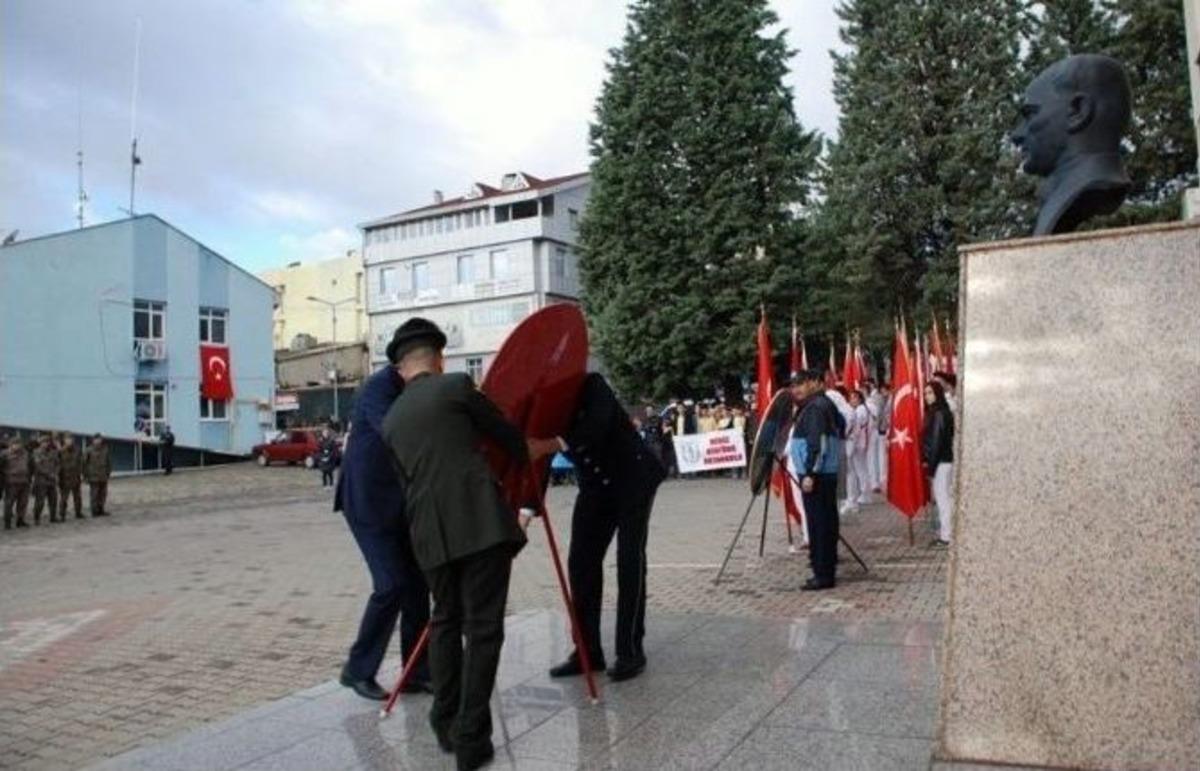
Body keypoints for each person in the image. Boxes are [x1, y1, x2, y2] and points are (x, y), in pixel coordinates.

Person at [382, 318, 532, 771]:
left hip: (428, 532)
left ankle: (444, 716)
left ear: (401, 370)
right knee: (483, 629)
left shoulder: (389, 421)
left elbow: (406, 479)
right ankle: (470, 739)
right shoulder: (456, 387)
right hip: (479, 522)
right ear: (438, 358)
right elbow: (508, 439)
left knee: (445, 621)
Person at [545, 373, 665, 683]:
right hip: (595, 487)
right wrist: (528, 508)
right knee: (580, 562)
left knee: (629, 560)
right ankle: (587, 651)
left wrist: (550, 443)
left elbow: (595, 425)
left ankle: (630, 650)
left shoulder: (591, 383)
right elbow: (537, 458)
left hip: (633, 478)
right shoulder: (542, 405)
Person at [335, 358, 432, 702]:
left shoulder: (413, 389)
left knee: (418, 587)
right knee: (390, 585)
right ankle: (357, 670)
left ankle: (417, 672)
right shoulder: (378, 389)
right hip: (368, 504)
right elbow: (396, 432)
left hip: (400, 508)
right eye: (432, 363)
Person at [789, 370, 845, 590]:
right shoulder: (822, 404)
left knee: (819, 525)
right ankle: (823, 568)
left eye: (800, 384)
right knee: (825, 523)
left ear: (813, 383)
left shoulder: (815, 407)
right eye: (793, 386)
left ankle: (822, 574)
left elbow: (818, 442)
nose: (796, 389)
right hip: (824, 473)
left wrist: (811, 472)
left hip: (817, 475)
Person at [923, 381, 955, 547]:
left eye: (930, 393)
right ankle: (946, 533)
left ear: (937, 394)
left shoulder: (938, 414)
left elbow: (936, 442)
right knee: (946, 498)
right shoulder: (943, 411)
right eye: (926, 393)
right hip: (944, 460)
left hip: (940, 462)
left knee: (943, 499)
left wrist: (931, 466)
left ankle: (946, 536)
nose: (927, 396)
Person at [844, 390, 871, 510]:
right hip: (858, 441)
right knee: (859, 468)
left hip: (858, 442)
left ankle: (865, 493)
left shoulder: (860, 410)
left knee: (860, 468)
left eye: (855, 398)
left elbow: (856, 426)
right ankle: (863, 492)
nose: (852, 400)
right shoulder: (858, 409)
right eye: (850, 398)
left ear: (860, 399)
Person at [31, 434, 60, 525]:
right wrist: (49, 474)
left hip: (52, 481)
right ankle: (36, 518)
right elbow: (38, 467)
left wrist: (55, 473)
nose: (46, 444)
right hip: (41, 481)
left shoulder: (53, 452)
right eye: (44, 442)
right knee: (40, 502)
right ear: (40, 443)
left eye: (47, 442)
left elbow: (58, 464)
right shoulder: (36, 452)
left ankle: (53, 517)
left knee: (53, 500)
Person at [3, 436, 31, 529]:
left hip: (24, 481)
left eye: (18, 444)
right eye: (15, 444)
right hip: (11, 482)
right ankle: (7, 523)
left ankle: (20, 520)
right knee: (9, 503)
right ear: (10, 445)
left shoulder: (25, 453)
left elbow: (30, 466)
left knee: (23, 503)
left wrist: (29, 477)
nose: (17, 446)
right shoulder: (5, 454)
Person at [83, 434, 112, 517]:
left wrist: (108, 472)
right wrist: (85, 476)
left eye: (99, 439)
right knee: (94, 495)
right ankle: (94, 511)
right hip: (93, 476)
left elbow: (108, 462)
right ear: (93, 440)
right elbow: (84, 464)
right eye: (96, 439)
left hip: (103, 476)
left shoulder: (105, 450)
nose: (98, 441)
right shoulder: (88, 450)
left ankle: (101, 509)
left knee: (103, 494)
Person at [57, 434, 84, 520]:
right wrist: (58, 477)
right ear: (64, 440)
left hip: (76, 477)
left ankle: (78, 513)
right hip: (65, 478)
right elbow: (57, 464)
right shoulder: (61, 451)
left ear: (73, 440)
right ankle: (62, 514)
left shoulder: (78, 450)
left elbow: (81, 462)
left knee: (78, 497)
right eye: (67, 439)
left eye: (70, 439)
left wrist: (81, 473)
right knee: (64, 498)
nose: (69, 441)